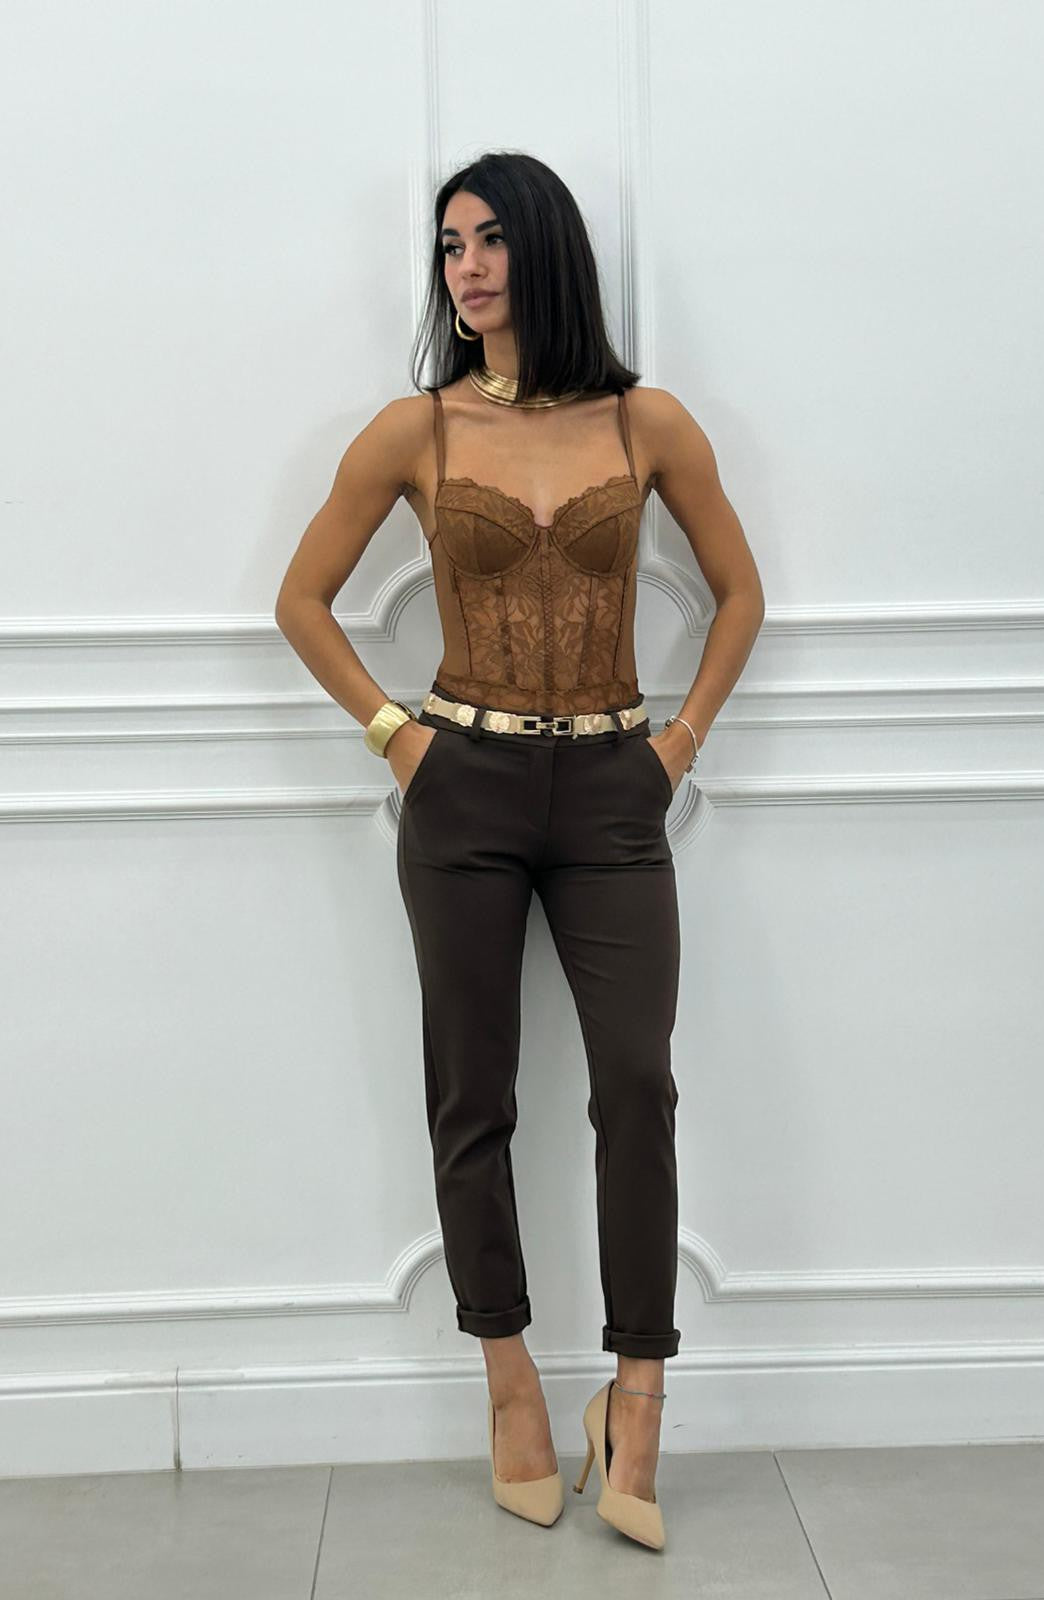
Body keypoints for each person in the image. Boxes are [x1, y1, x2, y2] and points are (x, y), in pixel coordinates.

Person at [275, 151, 764, 1549]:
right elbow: (302, 599)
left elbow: (740, 593)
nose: (469, 267)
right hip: (463, 789)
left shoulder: (644, 421)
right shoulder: (415, 430)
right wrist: (398, 737)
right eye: (450, 246)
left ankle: (639, 1394)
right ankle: (507, 1382)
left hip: (613, 788)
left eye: (491, 239)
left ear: (545, 250)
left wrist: (677, 745)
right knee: (471, 1093)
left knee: (637, 1085)